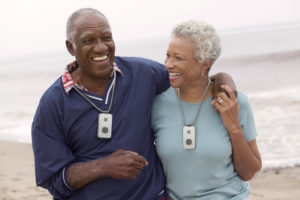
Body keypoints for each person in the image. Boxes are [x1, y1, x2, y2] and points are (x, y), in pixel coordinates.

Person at [31, 8, 236, 200]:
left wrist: (223, 80)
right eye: (88, 40)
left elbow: (190, 77)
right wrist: (103, 167)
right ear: (71, 47)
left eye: (106, 38)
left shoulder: (143, 73)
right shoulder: (52, 104)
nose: (101, 47)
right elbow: (54, 180)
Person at [152, 20, 262, 200]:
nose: (168, 64)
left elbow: (249, 172)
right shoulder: (158, 103)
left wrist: (233, 125)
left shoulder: (234, 102)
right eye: (167, 55)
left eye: (178, 58)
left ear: (204, 63)